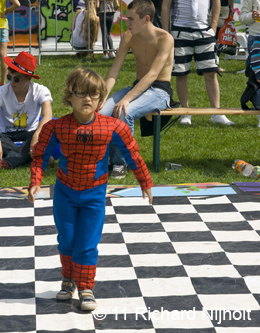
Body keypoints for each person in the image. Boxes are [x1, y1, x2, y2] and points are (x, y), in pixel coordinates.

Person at [28, 68, 153, 311]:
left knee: (86, 242)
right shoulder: (57, 127)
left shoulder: (113, 127)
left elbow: (132, 154)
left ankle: (85, 286)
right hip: (64, 192)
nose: (87, 99)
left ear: (100, 99)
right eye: (81, 93)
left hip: (94, 195)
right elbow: (40, 154)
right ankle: (68, 280)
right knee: (66, 239)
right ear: (69, 96)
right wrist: (35, 180)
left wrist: (144, 181)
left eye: (94, 95)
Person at [99, 0, 173, 179]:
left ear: (146, 19)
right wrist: (103, 96)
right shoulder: (129, 36)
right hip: (138, 86)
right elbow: (114, 70)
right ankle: (104, 160)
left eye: (131, 19)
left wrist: (127, 98)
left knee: (125, 111)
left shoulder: (165, 38)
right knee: (102, 111)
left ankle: (120, 163)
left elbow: (153, 74)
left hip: (160, 91)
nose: (127, 23)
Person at [162, 0, 234, 126]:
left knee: (211, 72)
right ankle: (185, 112)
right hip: (180, 32)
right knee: (181, 74)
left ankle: (217, 112)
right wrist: (166, 33)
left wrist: (214, 26)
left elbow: (216, 2)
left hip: (204, 32)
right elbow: (165, 5)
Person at [0, 51, 53, 171]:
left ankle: (7, 163)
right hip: (5, 133)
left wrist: (36, 135)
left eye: (17, 79)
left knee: (47, 133)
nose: (12, 83)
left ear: (28, 78)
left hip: (30, 132)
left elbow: (48, 115)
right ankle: (34, 156)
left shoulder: (40, 90)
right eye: (9, 78)